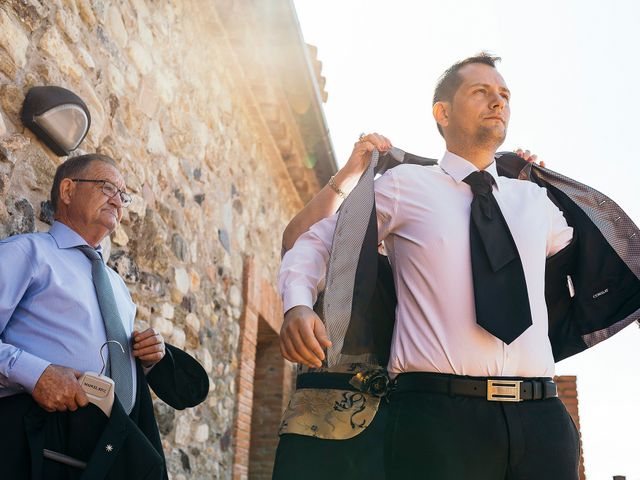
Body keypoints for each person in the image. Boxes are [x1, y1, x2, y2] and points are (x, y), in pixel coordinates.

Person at [278, 53, 582, 479]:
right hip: (437, 419)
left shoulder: (534, 200)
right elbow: (316, 241)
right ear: (442, 112)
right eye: (481, 92)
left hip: (543, 419)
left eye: (504, 95)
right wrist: (297, 304)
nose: (497, 102)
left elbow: (589, 264)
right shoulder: (403, 187)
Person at [0, 153, 208, 479]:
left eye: (123, 196)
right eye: (107, 187)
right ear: (68, 191)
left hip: (108, 449)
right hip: (37, 437)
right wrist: (36, 373)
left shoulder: (117, 287)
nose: (118, 201)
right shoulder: (26, 253)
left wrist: (149, 356)